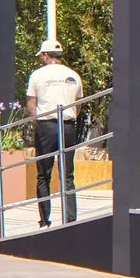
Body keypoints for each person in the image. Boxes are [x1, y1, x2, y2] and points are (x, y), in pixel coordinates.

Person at [23, 39, 83, 228]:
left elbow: (31, 106)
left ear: (45, 55)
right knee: (67, 175)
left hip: (46, 126)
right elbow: (78, 105)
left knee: (43, 175)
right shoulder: (73, 75)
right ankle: (70, 219)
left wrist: (39, 123)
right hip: (68, 126)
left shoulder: (37, 75)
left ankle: (44, 220)